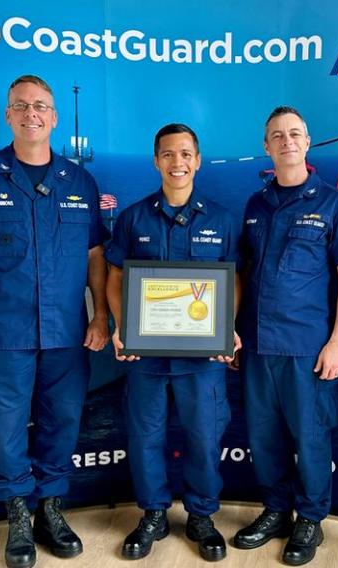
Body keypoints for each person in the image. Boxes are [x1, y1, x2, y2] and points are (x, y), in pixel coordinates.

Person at [0, 75, 109, 568]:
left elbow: (96, 255)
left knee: (62, 423)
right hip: (1, 334)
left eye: (41, 106)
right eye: (21, 106)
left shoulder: (81, 182)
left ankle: (51, 510)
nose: (31, 113)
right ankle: (18, 516)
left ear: (54, 118)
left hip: (66, 334)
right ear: (8, 116)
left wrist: (100, 314)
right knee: (4, 428)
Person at [234, 106, 338, 566]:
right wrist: (229, 333)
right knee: (263, 435)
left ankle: (310, 519)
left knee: (311, 437)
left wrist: (336, 340)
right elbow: (244, 273)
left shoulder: (333, 203)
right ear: (266, 146)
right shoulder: (255, 205)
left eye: (295, 134)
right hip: (256, 344)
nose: (287, 141)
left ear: (307, 143)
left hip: (309, 348)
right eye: (277, 135)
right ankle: (275, 509)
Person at [105, 123, 240, 562]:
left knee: (204, 435)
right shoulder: (133, 218)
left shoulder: (221, 219)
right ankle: (153, 514)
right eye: (168, 154)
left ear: (197, 160)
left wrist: (228, 327)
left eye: (186, 154)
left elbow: (234, 281)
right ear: (156, 161)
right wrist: (122, 325)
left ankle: (201, 515)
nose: (177, 162)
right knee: (145, 436)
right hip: (146, 354)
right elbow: (115, 278)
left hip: (203, 357)